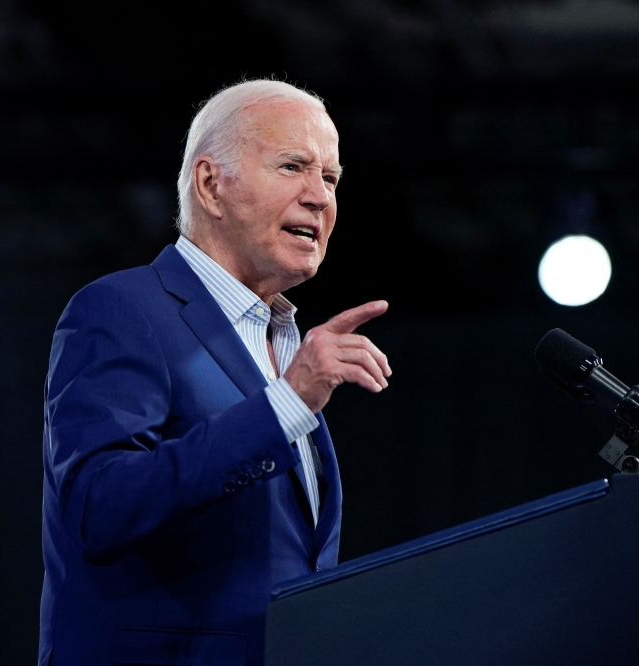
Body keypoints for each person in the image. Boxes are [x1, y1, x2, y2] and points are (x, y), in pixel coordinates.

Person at [38, 79, 391, 666]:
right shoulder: (124, 309)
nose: (320, 197)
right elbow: (100, 510)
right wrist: (286, 404)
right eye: (292, 167)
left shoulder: (285, 344)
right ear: (210, 184)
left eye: (330, 179)